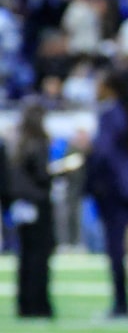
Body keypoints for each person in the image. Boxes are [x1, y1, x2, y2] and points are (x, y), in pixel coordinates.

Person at [85, 68, 128, 319]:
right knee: (125, 246)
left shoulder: (110, 114)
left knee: (115, 248)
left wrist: (92, 171)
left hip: (111, 191)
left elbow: (103, 154)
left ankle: (121, 303)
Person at [5, 99, 57, 318]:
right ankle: (39, 305)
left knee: (25, 256)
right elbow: (42, 176)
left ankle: (25, 304)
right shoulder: (38, 142)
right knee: (39, 256)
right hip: (38, 203)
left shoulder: (17, 142)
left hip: (21, 204)